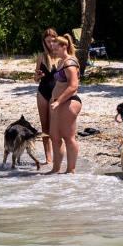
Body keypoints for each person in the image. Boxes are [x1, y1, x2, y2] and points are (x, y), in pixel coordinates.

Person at [48, 34, 82, 174]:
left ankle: (71, 170)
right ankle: (56, 169)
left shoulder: (70, 63)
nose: (53, 52)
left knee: (68, 137)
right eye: (52, 49)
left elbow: (73, 86)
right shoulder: (61, 62)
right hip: (58, 103)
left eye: (56, 49)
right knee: (54, 136)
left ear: (64, 46)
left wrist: (59, 101)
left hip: (69, 103)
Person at [33, 28, 58, 165]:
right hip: (42, 92)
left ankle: (58, 157)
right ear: (44, 42)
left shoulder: (61, 55)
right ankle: (48, 158)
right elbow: (35, 79)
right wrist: (38, 75)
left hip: (56, 94)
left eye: (53, 40)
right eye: (48, 41)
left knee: (55, 127)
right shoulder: (41, 57)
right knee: (45, 128)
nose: (51, 44)